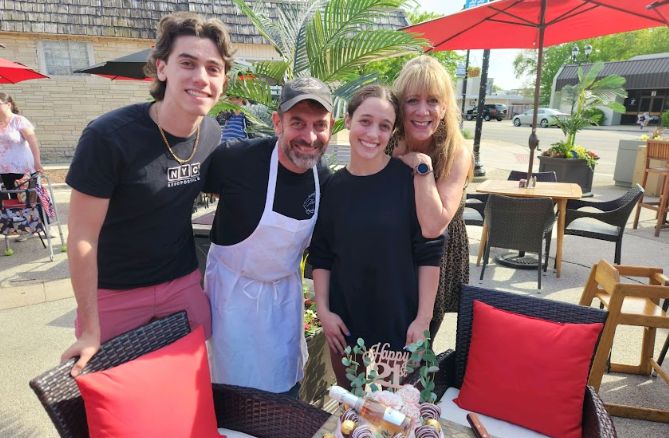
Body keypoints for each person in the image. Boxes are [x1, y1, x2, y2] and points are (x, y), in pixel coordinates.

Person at [60, 12, 234, 377]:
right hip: (115, 292)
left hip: (182, 283)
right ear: (161, 68)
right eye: (187, 63)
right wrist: (90, 326)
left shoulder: (213, 133)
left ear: (223, 80)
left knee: (190, 390)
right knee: (115, 400)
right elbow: (81, 238)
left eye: (213, 68)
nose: (201, 78)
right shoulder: (108, 137)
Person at [203, 76, 334, 397]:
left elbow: (323, 250)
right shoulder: (235, 160)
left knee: (284, 388)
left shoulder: (323, 177)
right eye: (298, 123)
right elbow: (182, 197)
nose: (310, 136)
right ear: (278, 123)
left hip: (283, 301)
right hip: (231, 299)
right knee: (233, 394)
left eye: (320, 125)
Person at [308, 84, 445, 388]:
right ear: (348, 120)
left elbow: (430, 252)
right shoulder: (332, 186)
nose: (372, 133)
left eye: (384, 126)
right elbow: (322, 254)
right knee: (352, 417)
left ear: (392, 132)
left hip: (398, 329)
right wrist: (324, 312)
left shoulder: (408, 181)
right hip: (344, 331)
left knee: (393, 420)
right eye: (365, 121)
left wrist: (423, 320)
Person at [390, 56, 474, 338]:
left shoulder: (456, 151)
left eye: (433, 101)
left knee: (415, 355)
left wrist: (419, 164)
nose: (422, 110)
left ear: (445, 106)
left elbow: (433, 225)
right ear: (400, 105)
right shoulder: (389, 140)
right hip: (392, 255)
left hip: (437, 261)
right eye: (412, 100)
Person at [0, 92, 42, 206]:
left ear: (8, 104)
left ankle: (38, 223)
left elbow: (32, 140)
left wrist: (37, 162)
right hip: (4, 170)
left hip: (22, 169)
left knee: (28, 201)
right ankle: (16, 224)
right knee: (12, 203)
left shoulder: (18, 120)